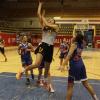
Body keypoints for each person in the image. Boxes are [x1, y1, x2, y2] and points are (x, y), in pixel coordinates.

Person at [16, 1, 59, 93]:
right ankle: (22, 70)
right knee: (37, 64)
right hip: (43, 45)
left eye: (52, 20)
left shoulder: (56, 26)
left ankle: (46, 84)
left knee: (46, 71)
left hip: (50, 48)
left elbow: (47, 23)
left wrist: (44, 17)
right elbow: (38, 14)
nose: (50, 20)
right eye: (49, 19)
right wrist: (40, 4)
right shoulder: (44, 26)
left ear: (54, 22)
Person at [62, 33, 98, 100]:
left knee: (70, 86)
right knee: (86, 84)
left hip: (74, 66)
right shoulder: (82, 44)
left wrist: (63, 65)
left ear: (76, 38)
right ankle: (95, 98)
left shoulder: (74, 45)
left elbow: (69, 55)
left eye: (74, 36)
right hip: (81, 64)